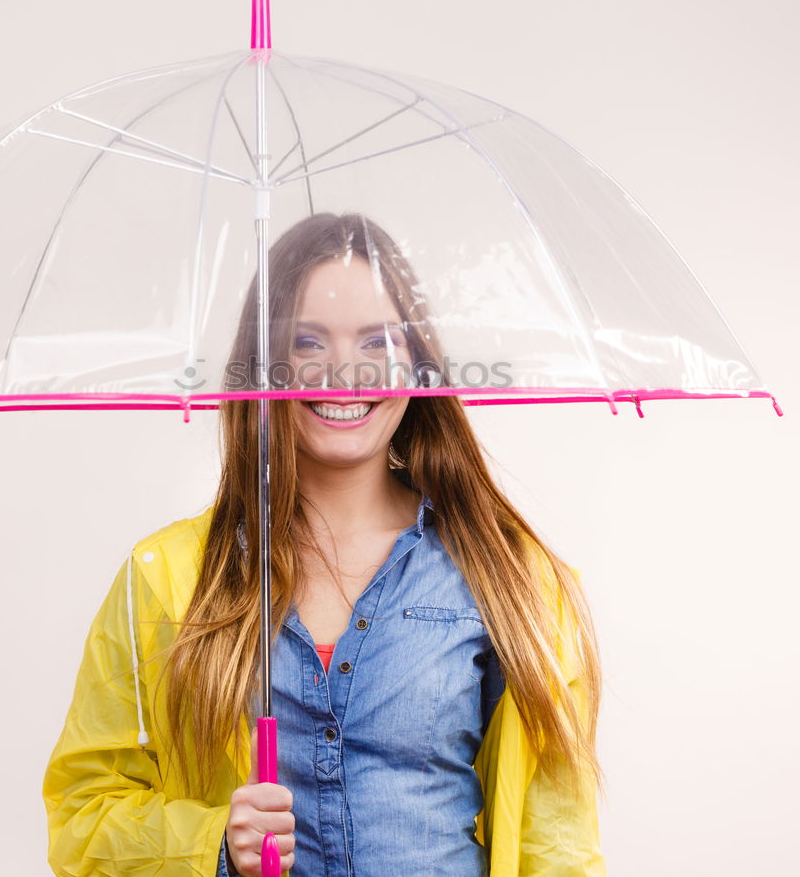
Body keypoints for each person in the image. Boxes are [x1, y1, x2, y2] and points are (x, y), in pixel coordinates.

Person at [43, 212, 607, 877]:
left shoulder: (511, 577)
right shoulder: (165, 578)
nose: (344, 373)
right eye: (307, 342)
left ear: (418, 365)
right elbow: (82, 817)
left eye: (377, 342)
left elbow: (559, 846)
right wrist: (214, 842)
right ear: (263, 368)